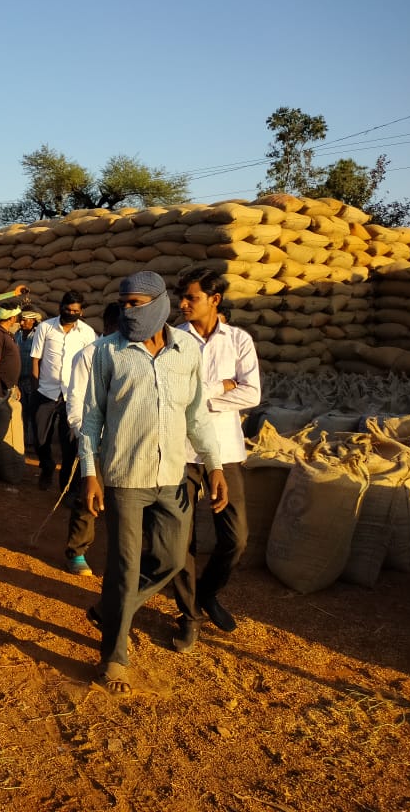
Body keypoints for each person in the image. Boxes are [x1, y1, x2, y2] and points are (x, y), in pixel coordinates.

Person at [78, 271, 226, 696]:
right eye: (124, 303)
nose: (128, 311)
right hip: (125, 476)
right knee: (124, 569)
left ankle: (111, 611)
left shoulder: (186, 353)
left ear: (160, 303)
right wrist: (91, 472)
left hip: (174, 476)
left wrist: (214, 465)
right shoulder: (108, 352)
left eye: (137, 303)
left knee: (171, 559)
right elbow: (91, 419)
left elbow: (197, 415)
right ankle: (114, 657)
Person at [168, 268, 261, 652]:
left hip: (224, 450)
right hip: (181, 451)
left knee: (235, 538)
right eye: (182, 298)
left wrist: (200, 396)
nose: (183, 304)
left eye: (191, 297)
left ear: (214, 299)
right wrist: (223, 387)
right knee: (179, 540)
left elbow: (252, 393)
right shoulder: (173, 339)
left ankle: (207, 593)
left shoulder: (239, 340)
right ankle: (189, 615)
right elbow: (172, 390)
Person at [61, 302, 121, 576]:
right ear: (108, 327)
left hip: (126, 440)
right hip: (94, 438)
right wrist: (80, 434)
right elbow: (76, 397)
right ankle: (78, 551)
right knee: (89, 496)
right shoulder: (90, 355)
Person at [31, 291, 96, 492]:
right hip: (46, 391)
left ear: (81, 311)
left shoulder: (87, 333)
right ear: (61, 307)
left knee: (70, 443)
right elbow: (36, 359)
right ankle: (47, 465)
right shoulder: (45, 328)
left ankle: (66, 486)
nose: (71, 313)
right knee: (41, 437)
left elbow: (91, 365)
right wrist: (36, 388)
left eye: (75, 310)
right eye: (67, 309)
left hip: (73, 395)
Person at [0, 303, 23, 487]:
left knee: (5, 431)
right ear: (12, 318)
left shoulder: (8, 335)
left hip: (7, 389)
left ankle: (6, 468)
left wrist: (14, 385)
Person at [15, 310, 43, 451]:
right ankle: (24, 439)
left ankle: (33, 442)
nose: (22, 322)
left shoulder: (37, 336)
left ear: (33, 321)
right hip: (19, 380)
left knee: (33, 411)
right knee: (22, 410)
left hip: (32, 379)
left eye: (26, 320)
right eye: (21, 319)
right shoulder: (17, 335)